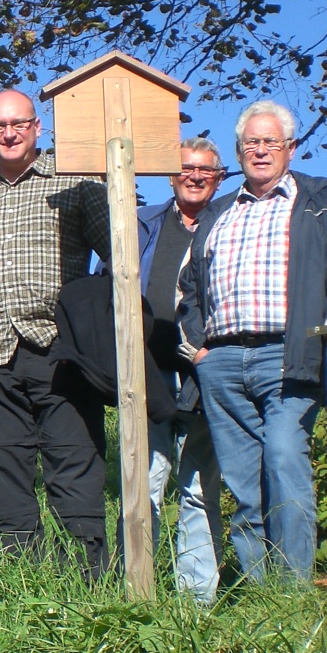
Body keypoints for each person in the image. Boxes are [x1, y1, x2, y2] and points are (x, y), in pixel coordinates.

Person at [176, 100, 327, 584]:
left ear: (290, 148)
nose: (260, 151)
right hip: (221, 361)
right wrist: (199, 350)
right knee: (243, 485)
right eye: (251, 143)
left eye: (270, 142)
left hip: (288, 355)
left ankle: (293, 591)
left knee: (284, 462)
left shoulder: (322, 200)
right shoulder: (219, 211)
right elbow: (188, 288)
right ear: (239, 151)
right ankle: (263, 593)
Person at [0, 88, 113, 576]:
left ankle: (87, 581)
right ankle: (22, 583)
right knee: (3, 477)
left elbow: (120, 255)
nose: (9, 133)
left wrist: (100, 335)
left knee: (75, 467)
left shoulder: (77, 181)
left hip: (62, 353)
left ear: (37, 127)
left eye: (18, 123)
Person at [139, 137, 228, 604]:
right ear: (171, 176)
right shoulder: (144, 222)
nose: (195, 176)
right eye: (186, 168)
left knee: (198, 486)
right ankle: (137, 587)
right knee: (144, 483)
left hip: (203, 373)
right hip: (148, 371)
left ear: (219, 178)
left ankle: (197, 598)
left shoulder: (228, 222)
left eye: (205, 170)